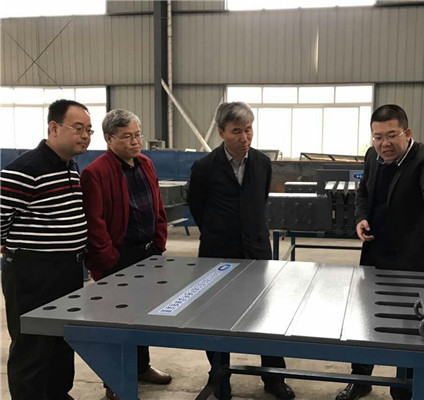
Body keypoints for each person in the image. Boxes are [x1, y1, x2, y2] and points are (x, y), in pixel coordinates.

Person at [336, 104, 424, 400]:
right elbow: (363, 192)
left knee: (414, 325)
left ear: (407, 132)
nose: (385, 144)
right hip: (379, 251)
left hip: (417, 256)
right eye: (378, 137)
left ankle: (405, 387)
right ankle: (360, 379)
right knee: (366, 318)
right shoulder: (372, 156)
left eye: (392, 135)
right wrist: (361, 217)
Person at [188, 102, 295, 400]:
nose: (245, 137)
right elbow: (197, 207)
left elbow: (260, 200)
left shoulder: (262, 163)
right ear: (222, 132)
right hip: (217, 254)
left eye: (248, 130)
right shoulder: (204, 167)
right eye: (237, 131)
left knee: (266, 316)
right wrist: (219, 232)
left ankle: (274, 377)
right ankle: (220, 376)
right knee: (215, 317)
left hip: (256, 251)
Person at [0, 99, 92, 400]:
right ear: (54, 127)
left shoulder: (70, 166)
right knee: (33, 346)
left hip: (67, 270)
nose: (85, 136)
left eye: (88, 130)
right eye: (78, 128)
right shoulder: (25, 169)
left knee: (61, 342)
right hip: (32, 274)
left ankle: (57, 395)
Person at [80, 109, 172, 400]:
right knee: (117, 322)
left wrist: (159, 241)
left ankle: (141, 367)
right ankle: (115, 382)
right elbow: (95, 224)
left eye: (137, 135)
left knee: (142, 316)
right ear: (109, 139)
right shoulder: (96, 173)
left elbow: (157, 206)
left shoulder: (146, 164)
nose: (135, 141)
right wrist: (109, 259)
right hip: (118, 257)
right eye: (126, 136)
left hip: (148, 254)